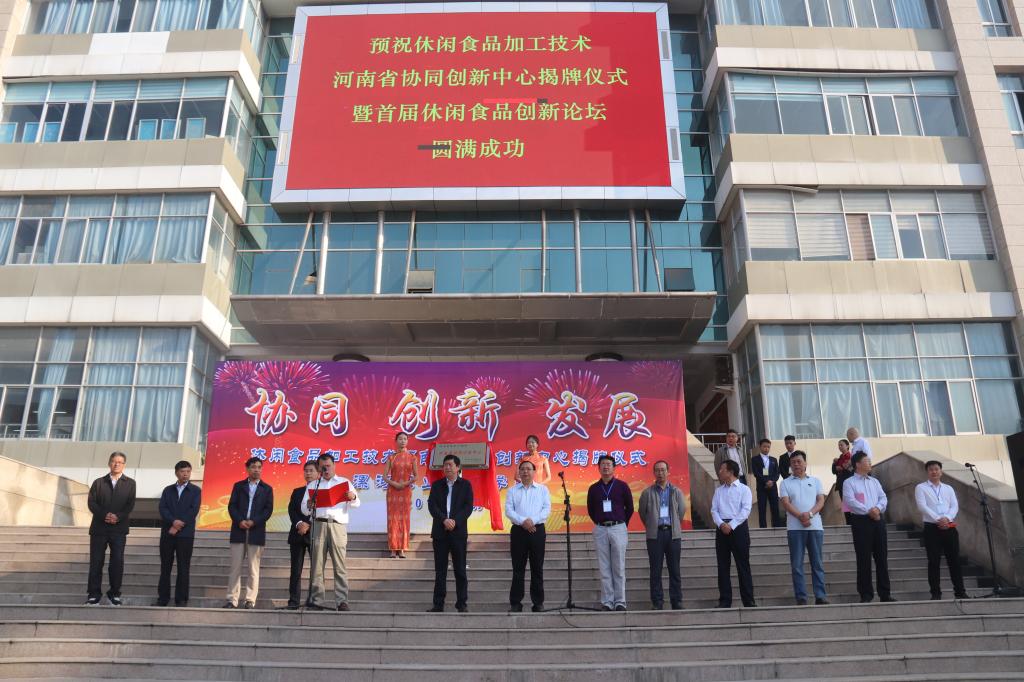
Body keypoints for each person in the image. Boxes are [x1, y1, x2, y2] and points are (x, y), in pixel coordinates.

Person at [303, 452, 360, 611]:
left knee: (339, 565)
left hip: (337, 526)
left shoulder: (344, 482)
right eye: (323, 467)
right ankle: (317, 600)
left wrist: (353, 497)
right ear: (319, 468)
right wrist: (309, 504)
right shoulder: (313, 485)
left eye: (328, 466)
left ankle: (342, 601)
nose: (326, 469)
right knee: (317, 565)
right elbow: (304, 509)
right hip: (318, 525)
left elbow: (357, 503)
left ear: (334, 465)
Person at [843, 452, 894, 603]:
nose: (870, 463)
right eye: (867, 461)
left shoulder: (874, 481)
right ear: (857, 464)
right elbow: (850, 502)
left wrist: (877, 509)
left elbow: (883, 497)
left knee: (882, 557)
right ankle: (866, 594)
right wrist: (869, 511)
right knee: (863, 558)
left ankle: (885, 593)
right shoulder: (849, 482)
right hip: (860, 522)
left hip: (878, 521)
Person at [86, 451, 136, 606]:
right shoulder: (99, 482)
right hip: (99, 528)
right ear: (109, 463)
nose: (116, 464)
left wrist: (118, 517)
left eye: (120, 462)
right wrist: (104, 515)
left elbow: (130, 504)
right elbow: (91, 503)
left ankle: (114, 594)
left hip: (119, 529)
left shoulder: (130, 483)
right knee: (96, 562)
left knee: (117, 562)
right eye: (114, 461)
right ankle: (94, 594)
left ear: (124, 465)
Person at [779, 451, 828, 606]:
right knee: (796, 564)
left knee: (817, 563)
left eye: (799, 461)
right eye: (793, 462)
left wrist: (809, 515)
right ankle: (801, 597)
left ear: (805, 463)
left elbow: (821, 501)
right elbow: (786, 503)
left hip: (815, 527)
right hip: (795, 529)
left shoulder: (815, 481)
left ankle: (820, 595)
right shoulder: (785, 483)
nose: (796, 464)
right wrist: (800, 516)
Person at [915, 460, 968, 600]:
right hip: (931, 528)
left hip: (949, 527)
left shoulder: (948, 488)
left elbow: (954, 506)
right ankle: (936, 593)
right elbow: (922, 506)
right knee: (934, 561)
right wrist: (938, 519)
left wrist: (947, 518)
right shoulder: (921, 487)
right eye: (931, 469)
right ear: (927, 472)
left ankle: (960, 592)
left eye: (936, 469)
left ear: (941, 471)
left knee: (954, 560)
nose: (934, 471)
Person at [587, 454, 634, 611]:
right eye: (603, 464)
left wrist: (621, 524)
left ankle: (620, 601)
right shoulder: (593, 488)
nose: (605, 467)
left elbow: (630, 508)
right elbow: (591, 510)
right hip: (600, 529)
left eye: (608, 464)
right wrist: (600, 522)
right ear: (598, 468)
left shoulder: (622, 486)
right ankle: (607, 601)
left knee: (618, 566)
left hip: (618, 527)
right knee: (604, 567)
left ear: (614, 467)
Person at [224, 456, 273, 609]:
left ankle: (250, 599)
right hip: (238, 530)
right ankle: (232, 599)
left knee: (253, 568)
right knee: (235, 568)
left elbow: (268, 510)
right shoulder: (238, 486)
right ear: (247, 469)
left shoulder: (267, 489)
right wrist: (240, 520)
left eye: (259, 467)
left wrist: (254, 521)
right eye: (253, 467)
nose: (256, 470)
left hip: (256, 532)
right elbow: (232, 506)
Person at [638, 460, 687, 610]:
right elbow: (642, 513)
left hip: (672, 534)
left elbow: (681, 511)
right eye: (657, 470)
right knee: (655, 570)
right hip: (655, 535)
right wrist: (652, 525)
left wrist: (674, 525)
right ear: (654, 473)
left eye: (663, 470)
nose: (660, 473)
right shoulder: (647, 493)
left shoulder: (676, 491)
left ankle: (676, 601)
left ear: (668, 472)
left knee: (675, 570)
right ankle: (657, 602)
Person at [427, 454, 474, 613]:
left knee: (460, 569)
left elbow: (468, 507)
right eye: (445, 465)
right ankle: (438, 604)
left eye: (450, 465)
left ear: (458, 467)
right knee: (440, 570)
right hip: (440, 533)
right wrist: (444, 520)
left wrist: (455, 521)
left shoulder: (465, 485)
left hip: (458, 533)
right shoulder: (437, 485)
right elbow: (432, 506)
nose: (447, 467)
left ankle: (462, 603)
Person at [505, 459, 551, 612]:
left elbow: (546, 509)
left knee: (537, 567)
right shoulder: (512, 490)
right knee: (518, 568)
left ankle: (538, 603)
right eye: (522, 469)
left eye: (528, 469)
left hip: (537, 530)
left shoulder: (542, 489)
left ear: (534, 471)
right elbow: (509, 510)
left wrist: (532, 521)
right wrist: (523, 521)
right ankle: (515, 603)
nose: (525, 471)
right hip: (518, 531)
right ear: (519, 472)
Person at [711, 460, 756, 608]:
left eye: (722, 469)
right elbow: (714, 510)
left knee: (743, 565)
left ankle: (748, 600)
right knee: (723, 566)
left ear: (730, 472)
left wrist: (731, 525)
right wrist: (721, 524)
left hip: (739, 529)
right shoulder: (718, 491)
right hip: (721, 529)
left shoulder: (744, 489)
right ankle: (725, 600)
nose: (719, 472)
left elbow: (746, 510)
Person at [156, 460, 201, 607]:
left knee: (183, 567)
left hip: (185, 535)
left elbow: (193, 510)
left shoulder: (195, 491)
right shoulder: (167, 490)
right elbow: (163, 508)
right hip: (167, 534)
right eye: (182, 471)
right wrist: (173, 521)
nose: (185, 474)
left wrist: (179, 524)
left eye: (188, 471)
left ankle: (181, 599)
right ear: (176, 473)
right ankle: (163, 598)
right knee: (165, 567)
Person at [286, 460, 317, 609]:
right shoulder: (297, 491)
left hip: (314, 534)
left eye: (311, 470)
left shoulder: (322, 491)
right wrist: (299, 523)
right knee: (295, 570)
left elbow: (323, 511)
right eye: (306, 471)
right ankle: (294, 601)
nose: (308, 473)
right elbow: (291, 510)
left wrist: (308, 524)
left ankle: (313, 601)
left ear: (318, 473)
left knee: (315, 571)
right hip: (297, 534)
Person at [385, 432, 419, 559]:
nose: (403, 441)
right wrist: (394, 483)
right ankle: (393, 549)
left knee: (404, 519)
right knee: (393, 519)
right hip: (392, 491)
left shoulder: (412, 457)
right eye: (400, 439)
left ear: (407, 441)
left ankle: (402, 549)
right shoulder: (391, 457)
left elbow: (416, 476)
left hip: (405, 491)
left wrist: (405, 483)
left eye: (405, 439)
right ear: (396, 441)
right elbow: (384, 476)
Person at [750, 438, 780, 528]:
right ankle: (763, 528)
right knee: (762, 508)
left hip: (773, 487)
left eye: (768, 447)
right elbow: (756, 473)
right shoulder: (754, 459)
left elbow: (777, 473)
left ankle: (777, 527)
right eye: (764, 446)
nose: (766, 448)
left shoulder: (774, 459)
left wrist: (772, 481)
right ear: (760, 447)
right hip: (761, 487)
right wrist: (766, 481)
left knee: (775, 507)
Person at [832, 439, 854, 525]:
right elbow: (834, 470)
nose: (840, 447)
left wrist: (841, 467)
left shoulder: (851, 456)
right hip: (841, 483)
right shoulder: (840, 458)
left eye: (841, 445)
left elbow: (849, 469)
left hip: (849, 482)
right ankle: (849, 523)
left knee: (852, 502)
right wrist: (835, 465)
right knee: (845, 504)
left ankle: (854, 521)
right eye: (839, 445)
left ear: (847, 446)